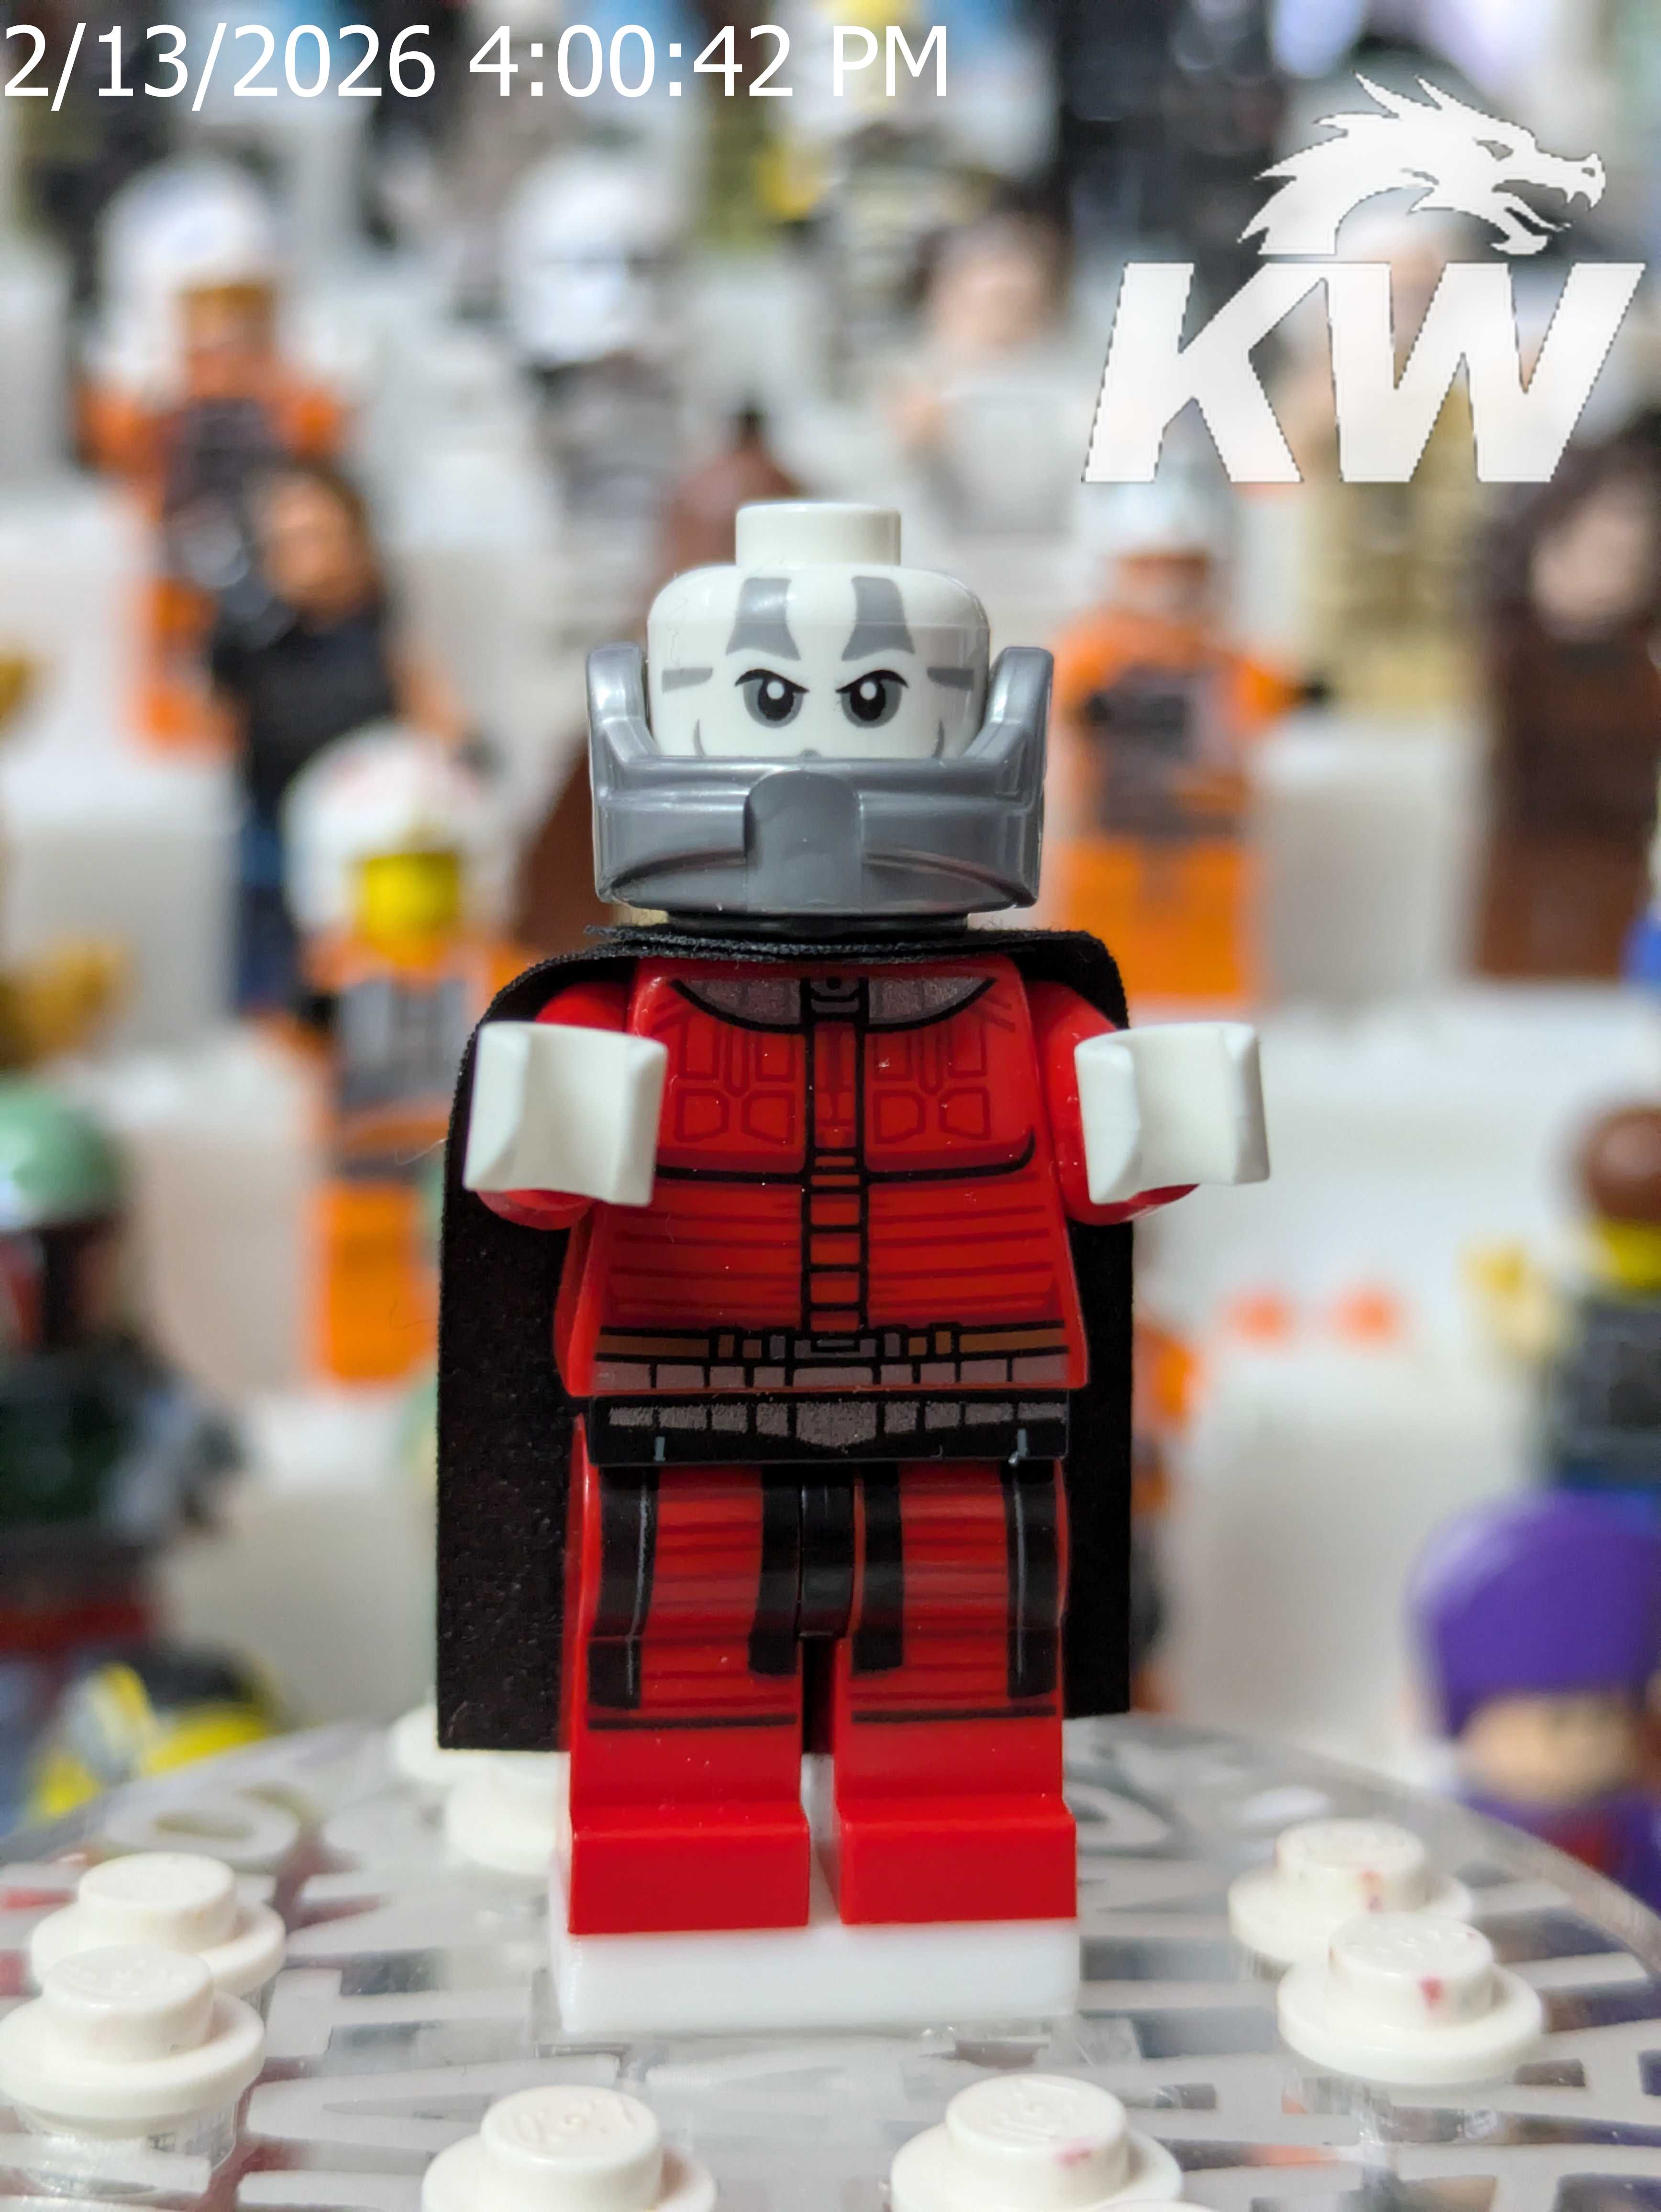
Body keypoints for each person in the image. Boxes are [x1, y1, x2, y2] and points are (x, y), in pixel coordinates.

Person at [208, 460, 462, 1013]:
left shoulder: (385, 634)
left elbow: (443, 728)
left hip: (378, 859)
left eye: (317, 536)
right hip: (276, 852)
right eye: (285, 542)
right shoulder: (249, 641)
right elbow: (210, 733)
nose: (303, 557)